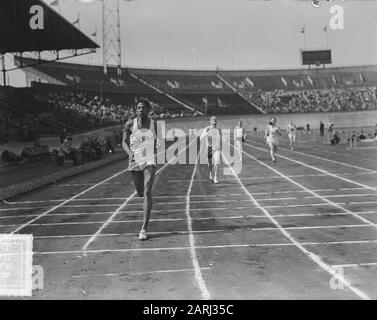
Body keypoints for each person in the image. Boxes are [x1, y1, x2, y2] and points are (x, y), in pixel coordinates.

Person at [122, 99, 158, 241]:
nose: (141, 110)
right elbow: (123, 142)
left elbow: (156, 140)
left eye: (143, 107)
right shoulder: (130, 124)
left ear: (148, 110)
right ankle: (144, 221)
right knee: (140, 192)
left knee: (147, 191)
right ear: (135, 110)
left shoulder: (154, 124)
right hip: (135, 159)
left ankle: (144, 228)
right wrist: (130, 153)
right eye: (138, 108)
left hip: (149, 158)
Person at [200, 116, 221, 184]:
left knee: (217, 161)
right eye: (213, 121)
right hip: (209, 148)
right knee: (210, 164)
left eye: (215, 121)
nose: (214, 123)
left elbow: (221, 137)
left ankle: (215, 177)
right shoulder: (207, 129)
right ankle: (211, 173)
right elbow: (201, 138)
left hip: (216, 148)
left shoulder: (218, 129)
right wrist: (209, 132)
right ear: (210, 122)